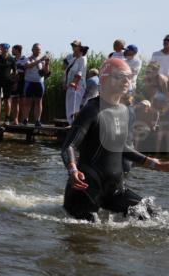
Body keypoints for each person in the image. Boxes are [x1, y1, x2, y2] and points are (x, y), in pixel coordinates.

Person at [61, 57, 169, 221]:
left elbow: (122, 147)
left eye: (128, 77)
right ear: (105, 78)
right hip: (85, 187)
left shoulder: (125, 112)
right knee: (87, 235)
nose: (126, 80)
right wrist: (73, 170)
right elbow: (68, 146)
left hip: (114, 189)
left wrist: (156, 164)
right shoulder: (91, 110)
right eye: (120, 76)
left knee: (155, 216)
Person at [17, 43, 50, 126]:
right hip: (29, 82)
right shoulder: (27, 59)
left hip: (39, 82)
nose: (38, 51)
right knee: (27, 102)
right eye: (36, 49)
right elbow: (27, 66)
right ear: (32, 50)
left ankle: (37, 120)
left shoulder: (42, 60)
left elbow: (46, 72)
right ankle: (25, 119)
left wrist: (46, 63)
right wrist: (39, 60)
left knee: (38, 102)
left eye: (39, 50)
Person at [64, 42, 87, 122]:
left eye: (76, 51)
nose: (74, 52)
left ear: (81, 51)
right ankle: (70, 122)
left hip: (77, 86)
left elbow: (80, 72)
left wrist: (74, 82)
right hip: (70, 86)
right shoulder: (73, 59)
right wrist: (65, 83)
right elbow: (66, 71)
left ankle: (73, 123)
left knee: (74, 106)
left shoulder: (82, 59)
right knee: (69, 106)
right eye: (74, 51)